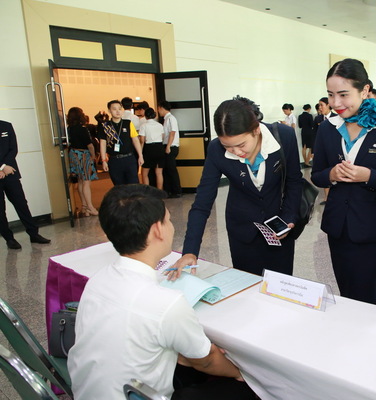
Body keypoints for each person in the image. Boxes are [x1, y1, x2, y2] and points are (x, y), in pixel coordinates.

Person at [67, 184, 255, 399]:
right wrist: (240, 373)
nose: (172, 227)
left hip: (86, 392)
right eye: (169, 220)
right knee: (244, 390)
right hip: (134, 394)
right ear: (157, 230)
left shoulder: (98, 280)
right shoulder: (166, 303)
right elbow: (207, 361)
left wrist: (185, 357)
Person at [311, 59, 376, 306]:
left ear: (365, 90)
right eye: (331, 95)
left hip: (374, 230)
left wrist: (369, 176)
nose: (336, 103)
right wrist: (332, 174)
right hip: (338, 228)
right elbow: (316, 175)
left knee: (371, 299)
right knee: (347, 295)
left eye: (344, 94)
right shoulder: (327, 129)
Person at [171, 96, 302, 278]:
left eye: (241, 145)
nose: (237, 152)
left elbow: (294, 181)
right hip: (242, 230)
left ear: (256, 130)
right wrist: (190, 251)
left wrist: (288, 217)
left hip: (278, 229)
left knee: (279, 286)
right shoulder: (216, 149)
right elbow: (202, 203)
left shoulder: (283, 136)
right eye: (228, 147)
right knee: (246, 284)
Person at [0, 120, 51, 249]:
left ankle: (34, 234)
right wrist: (1, 167)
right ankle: (9, 238)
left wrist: (4, 167)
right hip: (3, 170)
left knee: (21, 203)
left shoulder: (6, 125)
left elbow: (13, 148)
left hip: (10, 171)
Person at [98, 99, 144, 185]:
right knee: (119, 186)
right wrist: (103, 160)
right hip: (114, 160)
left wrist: (140, 155)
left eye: (119, 109)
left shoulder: (128, 123)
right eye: (114, 109)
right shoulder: (105, 126)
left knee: (134, 185)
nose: (117, 111)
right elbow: (103, 143)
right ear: (109, 111)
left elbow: (135, 140)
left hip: (129, 158)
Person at [66, 107, 99, 216]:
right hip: (83, 155)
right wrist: (93, 156)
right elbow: (89, 145)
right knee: (86, 181)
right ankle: (90, 207)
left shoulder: (69, 129)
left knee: (80, 180)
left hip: (73, 154)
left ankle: (84, 207)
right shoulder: (82, 128)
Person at [312, 97, 336, 205]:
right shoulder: (317, 119)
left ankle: (333, 197)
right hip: (322, 151)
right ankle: (327, 198)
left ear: (328, 105)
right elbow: (314, 136)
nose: (320, 108)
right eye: (319, 105)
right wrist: (314, 150)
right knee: (324, 172)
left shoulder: (337, 118)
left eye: (322, 105)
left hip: (333, 150)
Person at [158, 100, 182, 198]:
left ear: (161, 108)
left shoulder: (171, 118)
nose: (158, 111)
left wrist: (168, 146)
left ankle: (177, 191)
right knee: (168, 169)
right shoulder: (166, 119)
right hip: (168, 146)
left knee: (171, 169)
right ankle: (170, 190)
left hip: (171, 146)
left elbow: (172, 133)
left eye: (159, 109)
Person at [139, 107, 166, 190]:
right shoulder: (160, 125)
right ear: (154, 115)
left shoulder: (143, 126)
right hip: (159, 148)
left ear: (145, 116)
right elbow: (162, 137)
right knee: (159, 173)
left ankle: (147, 192)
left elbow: (142, 140)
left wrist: (140, 153)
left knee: (145, 173)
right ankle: (160, 192)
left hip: (149, 149)